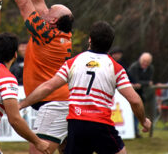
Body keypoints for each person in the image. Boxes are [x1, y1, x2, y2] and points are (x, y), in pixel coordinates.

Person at [19, 21, 152, 154]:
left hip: (76, 124)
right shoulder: (116, 68)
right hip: (100, 124)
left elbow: (48, 87)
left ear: (90, 40)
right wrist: (143, 121)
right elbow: (135, 100)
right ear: (110, 44)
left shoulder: (72, 63)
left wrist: (22, 104)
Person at [0, 0, 73, 154]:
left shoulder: (45, 34)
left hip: (54, 103)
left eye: (50, 11)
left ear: (52, 21)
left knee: (37, 151)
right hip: (63, 101)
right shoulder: (62, 34)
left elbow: (25, 5)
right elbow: (38, 1)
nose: (45, 10)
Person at [127, 52, 154, 137]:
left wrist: (143, 84)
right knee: (133, 112)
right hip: (131, 91)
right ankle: (133, 131)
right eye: (144, 61)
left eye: (147, 62)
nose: (145, 63)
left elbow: (147, 81)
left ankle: (135, 131)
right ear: (140, 60)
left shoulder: (151, 68)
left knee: (139, 112)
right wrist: (146, 83)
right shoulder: (134, 67)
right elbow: (136, 82)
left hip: (142, 93)